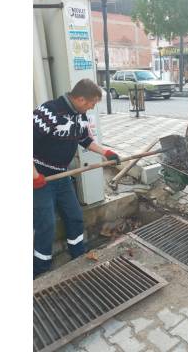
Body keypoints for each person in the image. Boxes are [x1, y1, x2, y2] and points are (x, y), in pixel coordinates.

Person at [33, 78, 120, 278]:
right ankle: (40, 270)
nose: (92, 107)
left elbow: (85, 139)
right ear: (81, 99)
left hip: (62, 176)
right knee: (45, 224)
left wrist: (106, 152)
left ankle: (78, 254)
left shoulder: (80, 116)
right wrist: (34, 175)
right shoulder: (48, 112)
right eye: (92, 103)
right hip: (40, 179)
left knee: (74, 216)